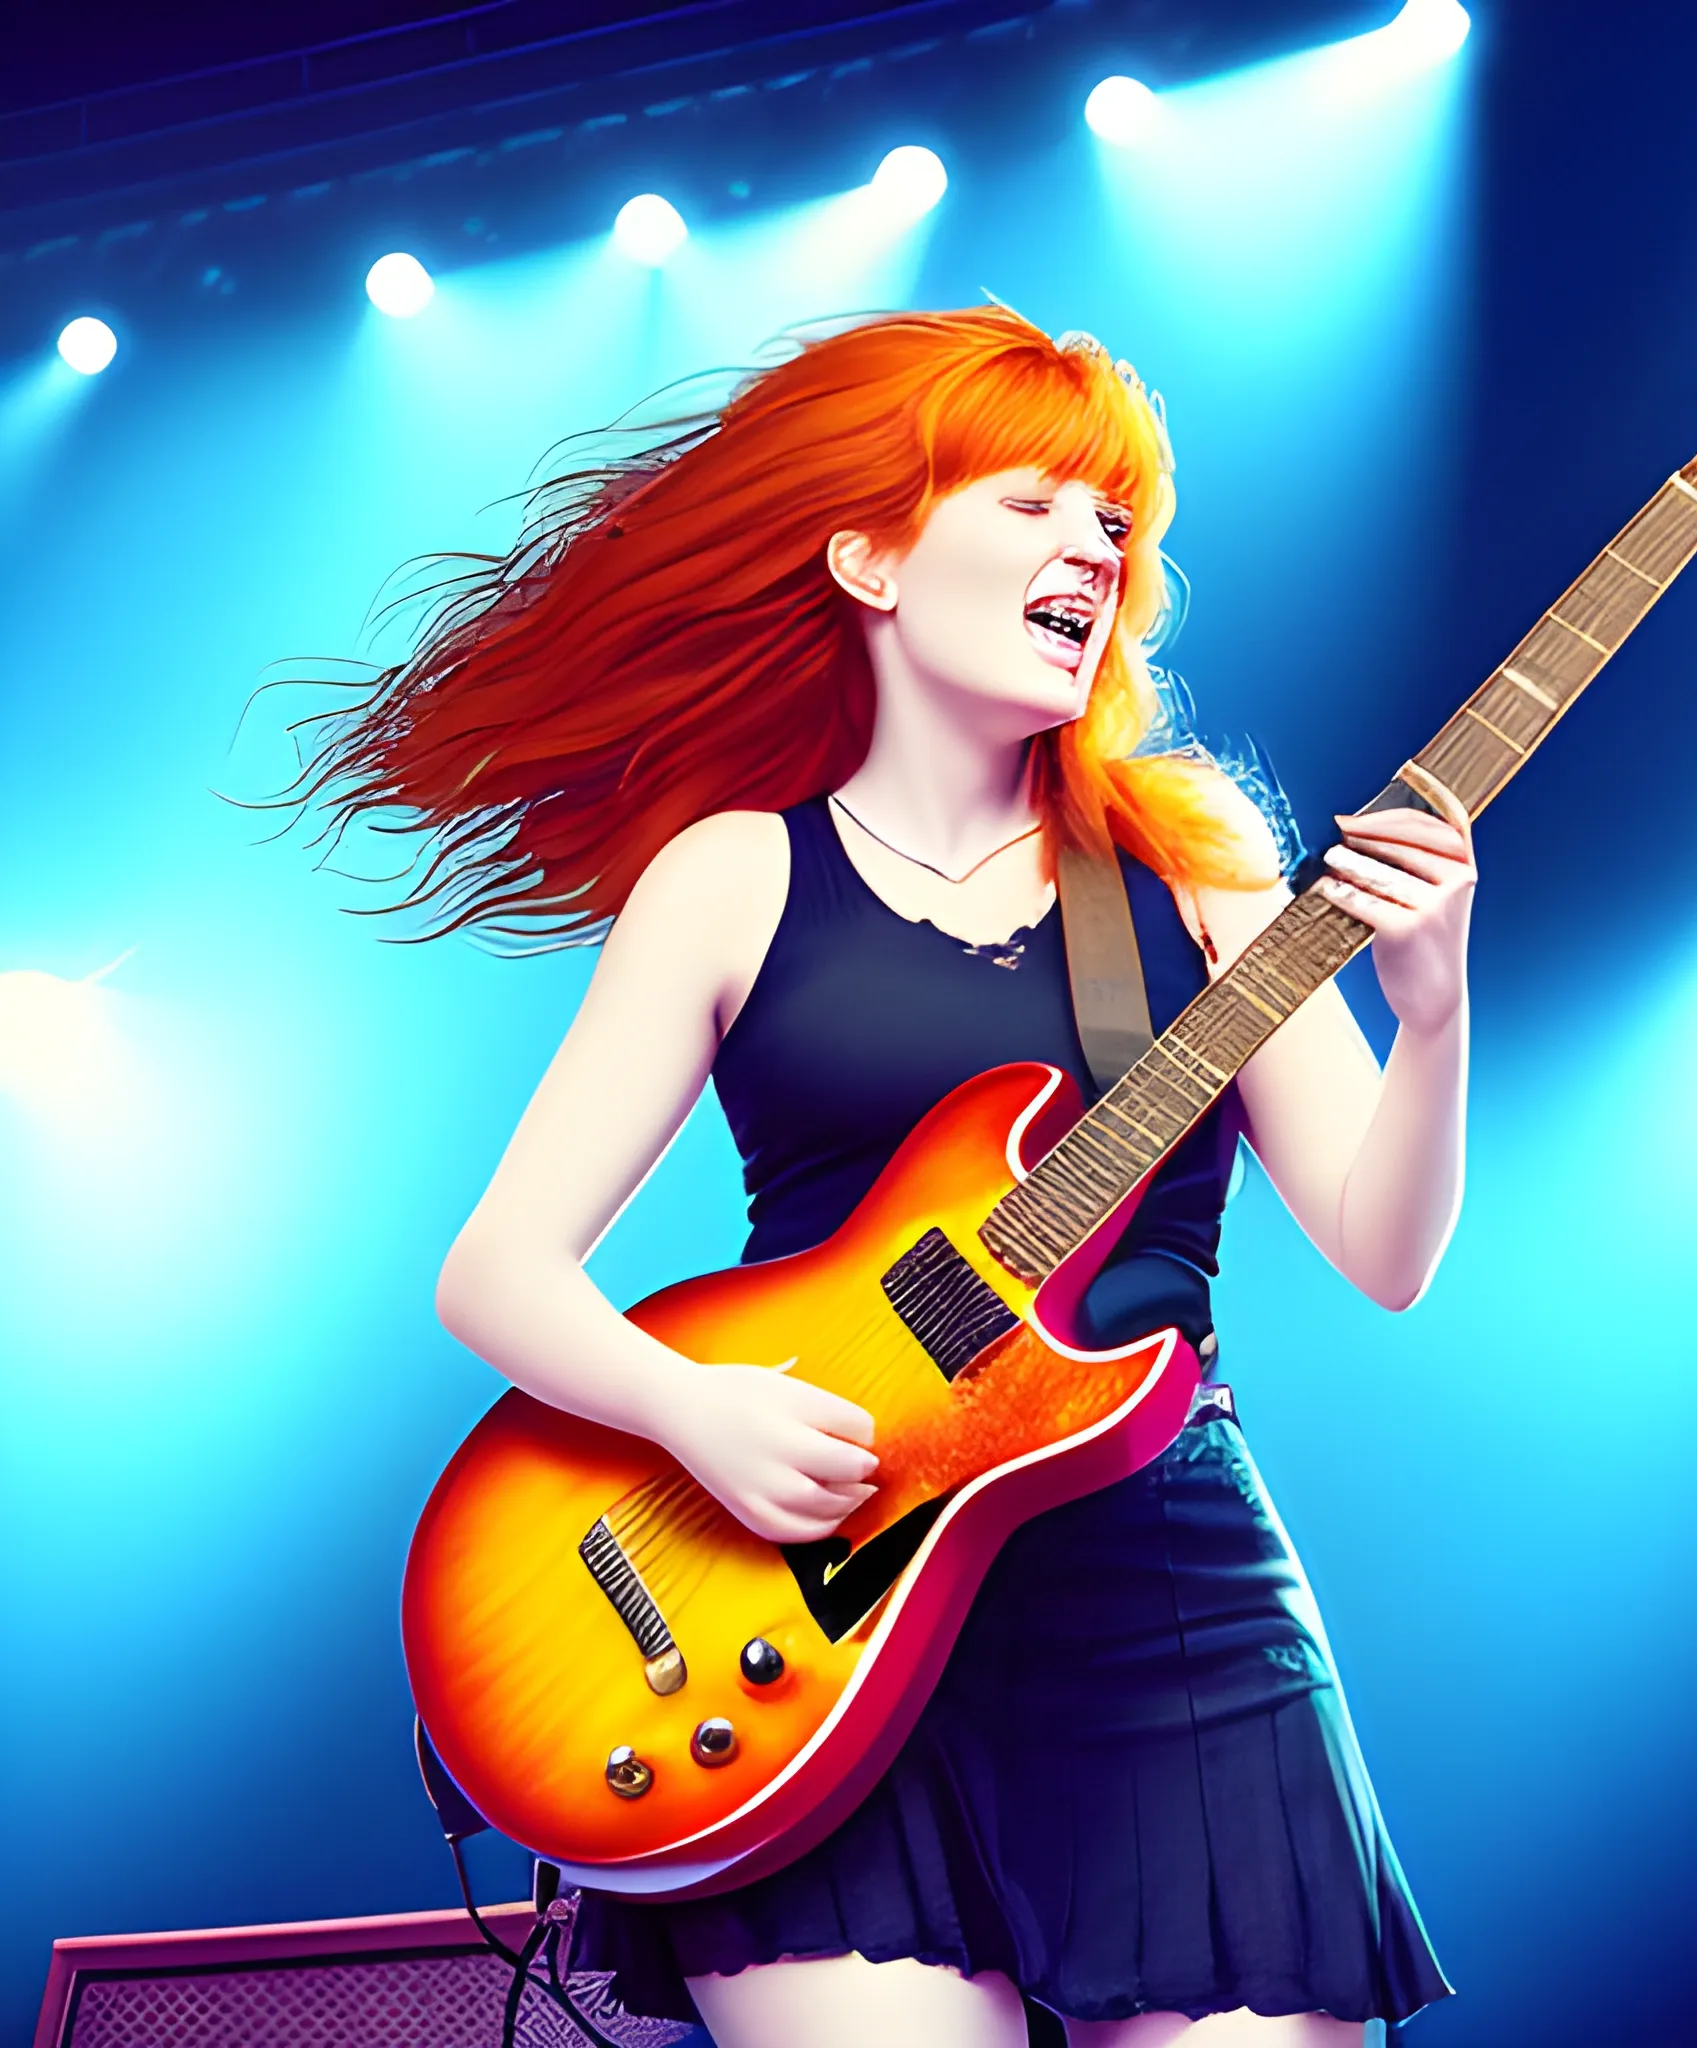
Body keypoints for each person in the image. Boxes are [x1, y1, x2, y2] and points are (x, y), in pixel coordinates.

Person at [303, 306, 1475, 2046]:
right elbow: (499, 1272)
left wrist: (1437, 1012)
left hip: (1160, 1598)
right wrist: (694, 1416)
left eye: (1116, 522)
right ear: (867, 552)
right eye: (1036, 501)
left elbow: (1385, 1254)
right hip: (797, 1590)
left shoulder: (1199, 886)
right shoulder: (731, 878)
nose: (1097, 541)